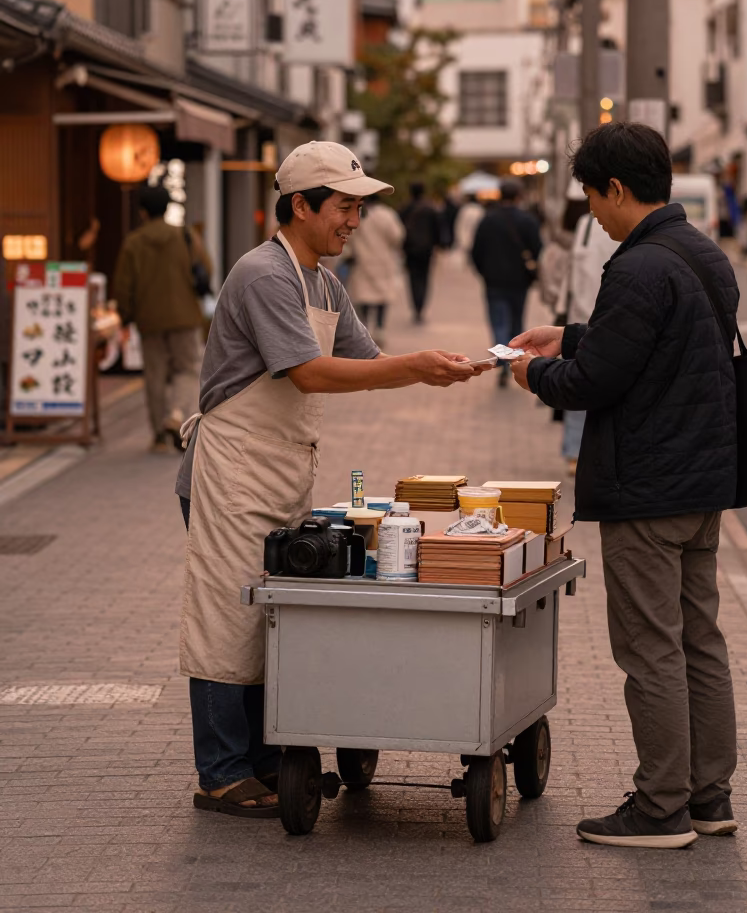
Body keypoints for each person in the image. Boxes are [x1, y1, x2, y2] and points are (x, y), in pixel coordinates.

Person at [176, 141, 478, 819]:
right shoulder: (264, 274)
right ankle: (221, 772)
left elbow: (365, 359)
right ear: (302, 206)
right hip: (230, 469)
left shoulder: (321, 280)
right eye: (345, 206)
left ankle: (257, 759)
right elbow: (311, 373)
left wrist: (446, 366)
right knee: (227, 618)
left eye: (358, 207)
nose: (354, 220)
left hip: (277, 467)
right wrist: (414, 366)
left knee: (264, 619)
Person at [510, 122, 740, 849]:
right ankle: (708, 796)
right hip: (703, 483)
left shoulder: (637, 266)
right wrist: (568, 334)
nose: (592, 214)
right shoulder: (702, 254)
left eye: (591, 196)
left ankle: (660, 806)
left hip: (648, 487)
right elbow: (649, 344)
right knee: (699, 640)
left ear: (616, 188)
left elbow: (596, 381)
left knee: (651, 649)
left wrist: (534, 373)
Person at [113, 184, 209, 453]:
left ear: (142, 212)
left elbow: (123, 285)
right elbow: (207, 268)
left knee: (155, 375)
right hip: (185, 316)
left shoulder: (134, 242)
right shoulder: (185, 236)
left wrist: (124, 315)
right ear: (168, 207)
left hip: (149, 319)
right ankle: (178, 416)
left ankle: (158, 436)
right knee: (187, 369)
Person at [556, 209, 619, 474]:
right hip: (584, 315)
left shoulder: (612, 227)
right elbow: (572, 273)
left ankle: (580, 451)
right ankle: (575, 450)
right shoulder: (587, 224)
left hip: (602, 316)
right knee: (579, 382)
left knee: (585, 383)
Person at [471, 180, 542, 387]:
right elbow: (538, 250)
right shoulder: (528, 220)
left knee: (498, 322)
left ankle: (502, 362)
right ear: (519, 196)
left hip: (494, 281)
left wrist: (485, 272)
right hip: (520, 280)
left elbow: (476, 252)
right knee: (517, 323)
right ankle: (515, 363)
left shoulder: (488, 220)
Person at [345, 194, 405, 348]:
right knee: (382, 297)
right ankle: (379, 329)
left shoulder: (357, 214)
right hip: (383, 262)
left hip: (362, 262)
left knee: (363, 297)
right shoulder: (387, 214)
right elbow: (397, 236)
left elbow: (348, 237)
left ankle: (364, 328)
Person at [399, 181, 442, 324]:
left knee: (413, 279)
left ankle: (416, 307)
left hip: (410, 249)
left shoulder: (405, 208)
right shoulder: (430, 208)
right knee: (424, 278)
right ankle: (420, 307)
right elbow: (437, 229)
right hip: (426, 249)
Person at [454, 193, 485, 266]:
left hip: (465, 233)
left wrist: (458, 235)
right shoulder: (480, 209)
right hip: (476, 234)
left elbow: (459, 224)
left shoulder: (464, 209)